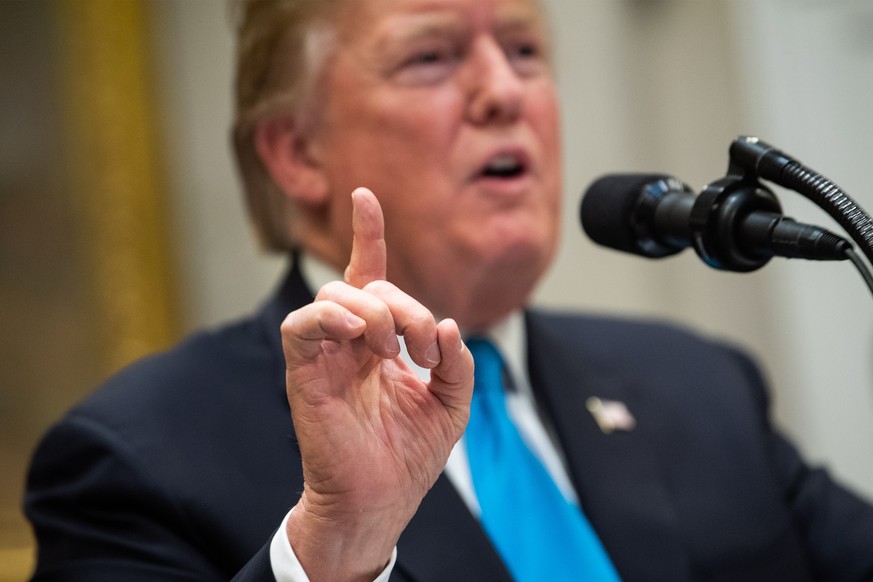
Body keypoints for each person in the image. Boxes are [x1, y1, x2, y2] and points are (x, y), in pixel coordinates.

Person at [24, 0, 873, 580]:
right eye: (430, 57)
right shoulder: (133, 459)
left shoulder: (701, 384)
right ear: (296, 153)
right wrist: (339, 543)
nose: (503, 91)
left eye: (523, 49)